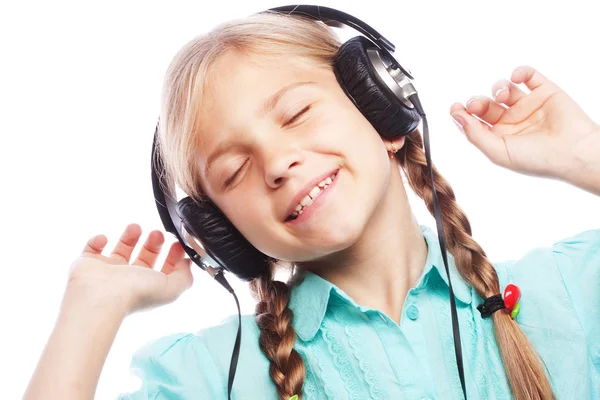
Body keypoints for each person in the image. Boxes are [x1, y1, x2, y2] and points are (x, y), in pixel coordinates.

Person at [23, 10, 600, 400]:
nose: (276, 163)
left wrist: (585, 155)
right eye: (234, 170)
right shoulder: (211, 376)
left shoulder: (571, 289)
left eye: (296, 114)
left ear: (382, 114)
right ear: (223, 233)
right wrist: (90, 312)